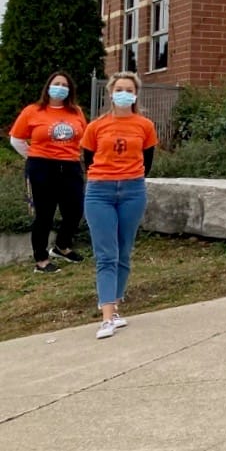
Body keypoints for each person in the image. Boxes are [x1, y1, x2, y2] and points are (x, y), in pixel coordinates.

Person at [80, 72, 158, 339]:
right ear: (111, 93)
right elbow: (87, 159)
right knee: (106, 254)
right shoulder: (96, 127)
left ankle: (115, 308)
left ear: (135, 95)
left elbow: (148, 160)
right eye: (119, 88)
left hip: (132, 190)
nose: (123, 93)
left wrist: (130, 178)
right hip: (99, 191)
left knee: (123, 252)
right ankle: (105, 317)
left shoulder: (145, 125)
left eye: (129, 89)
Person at [8, 71, 88, 273]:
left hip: (70, 166)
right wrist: (33, 156)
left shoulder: (75, 111)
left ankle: (62, 246)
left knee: (75, 210)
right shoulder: (33, 111)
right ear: (48, 86)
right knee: (45, 215)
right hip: (42, 168)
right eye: (56, 83)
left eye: (65, 85)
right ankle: (41, 259)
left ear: (70, 90)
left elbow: (84, 137)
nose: (60, 87)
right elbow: (16, 139)